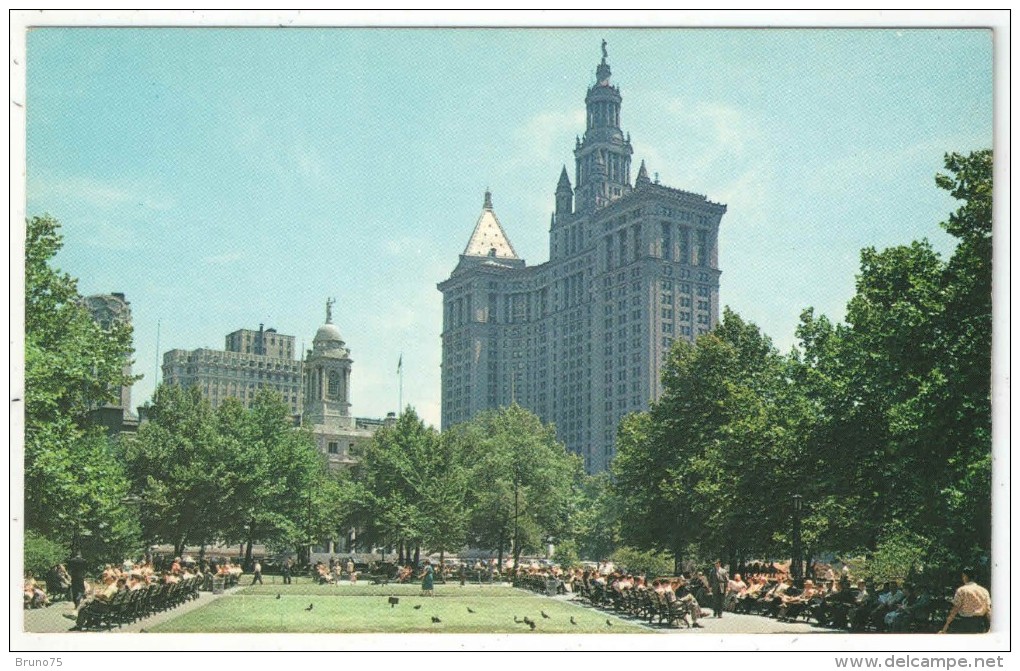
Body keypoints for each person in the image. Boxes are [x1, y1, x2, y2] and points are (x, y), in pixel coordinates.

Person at [940, 569, 991, 634]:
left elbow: (955, 609)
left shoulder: (961, 590)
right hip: (980, 623)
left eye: (963, 576)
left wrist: (946, 626)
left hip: (965, 623)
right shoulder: (984, 591)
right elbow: (988, 609)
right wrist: (991, 626)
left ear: (965, 576)